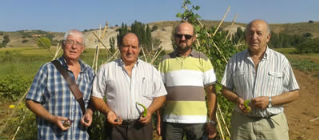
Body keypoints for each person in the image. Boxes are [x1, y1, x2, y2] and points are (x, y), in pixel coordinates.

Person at [221, 19, 300, 140]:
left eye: (259, 33)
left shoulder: (281, 60)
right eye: (250, 33)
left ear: (268, 37)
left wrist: (269, 101)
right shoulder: (235, 60)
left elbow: (294, 93)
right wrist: (237, 99)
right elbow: (225, 89)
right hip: (242, 125)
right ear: (246, 37)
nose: (254, 37)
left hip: (272, 125)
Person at [90, 32, 167, 140]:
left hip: (142, 128)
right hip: (115, 127)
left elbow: (161, 95)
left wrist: (150, 111)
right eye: (126, 46)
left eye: (134, 47)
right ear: (119, 47)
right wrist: (108, 112)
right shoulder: (106, 69)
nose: (130, 50)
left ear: (139, 49)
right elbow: (96, 96)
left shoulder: (150, 70)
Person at [25, 29, 95, 140]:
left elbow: (92, 101)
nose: (74, 46)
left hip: (80, 136)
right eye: (70, 42)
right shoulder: (48, 69)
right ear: (63, 45)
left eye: (78, 43)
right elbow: (31, 101)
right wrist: (53, 118)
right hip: (51, 136)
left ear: (83, 48)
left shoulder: (89, 72)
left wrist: (89, 113)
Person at [157, 21, 217, 140]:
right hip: (171, 121)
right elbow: (159, 94)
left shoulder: (203, 60)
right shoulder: (165, 61)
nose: (183, 38)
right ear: (174, 37)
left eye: (187, 36)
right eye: (179, 35)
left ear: (194, 38)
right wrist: (159, 121)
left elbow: (211, 93)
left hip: (198, 122)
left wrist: (212, 120)